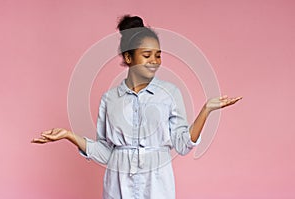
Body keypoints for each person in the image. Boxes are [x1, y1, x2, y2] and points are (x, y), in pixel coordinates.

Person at [32, 15, 242, 199]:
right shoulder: (110, 99)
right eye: (147, 55)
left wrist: (206, 110)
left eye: (158, 55)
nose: (154, 61)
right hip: (117, 184)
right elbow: (106, 152)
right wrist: (69, 135)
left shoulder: (170, 93)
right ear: (128, 57)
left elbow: (182, 144)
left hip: (157, 184)